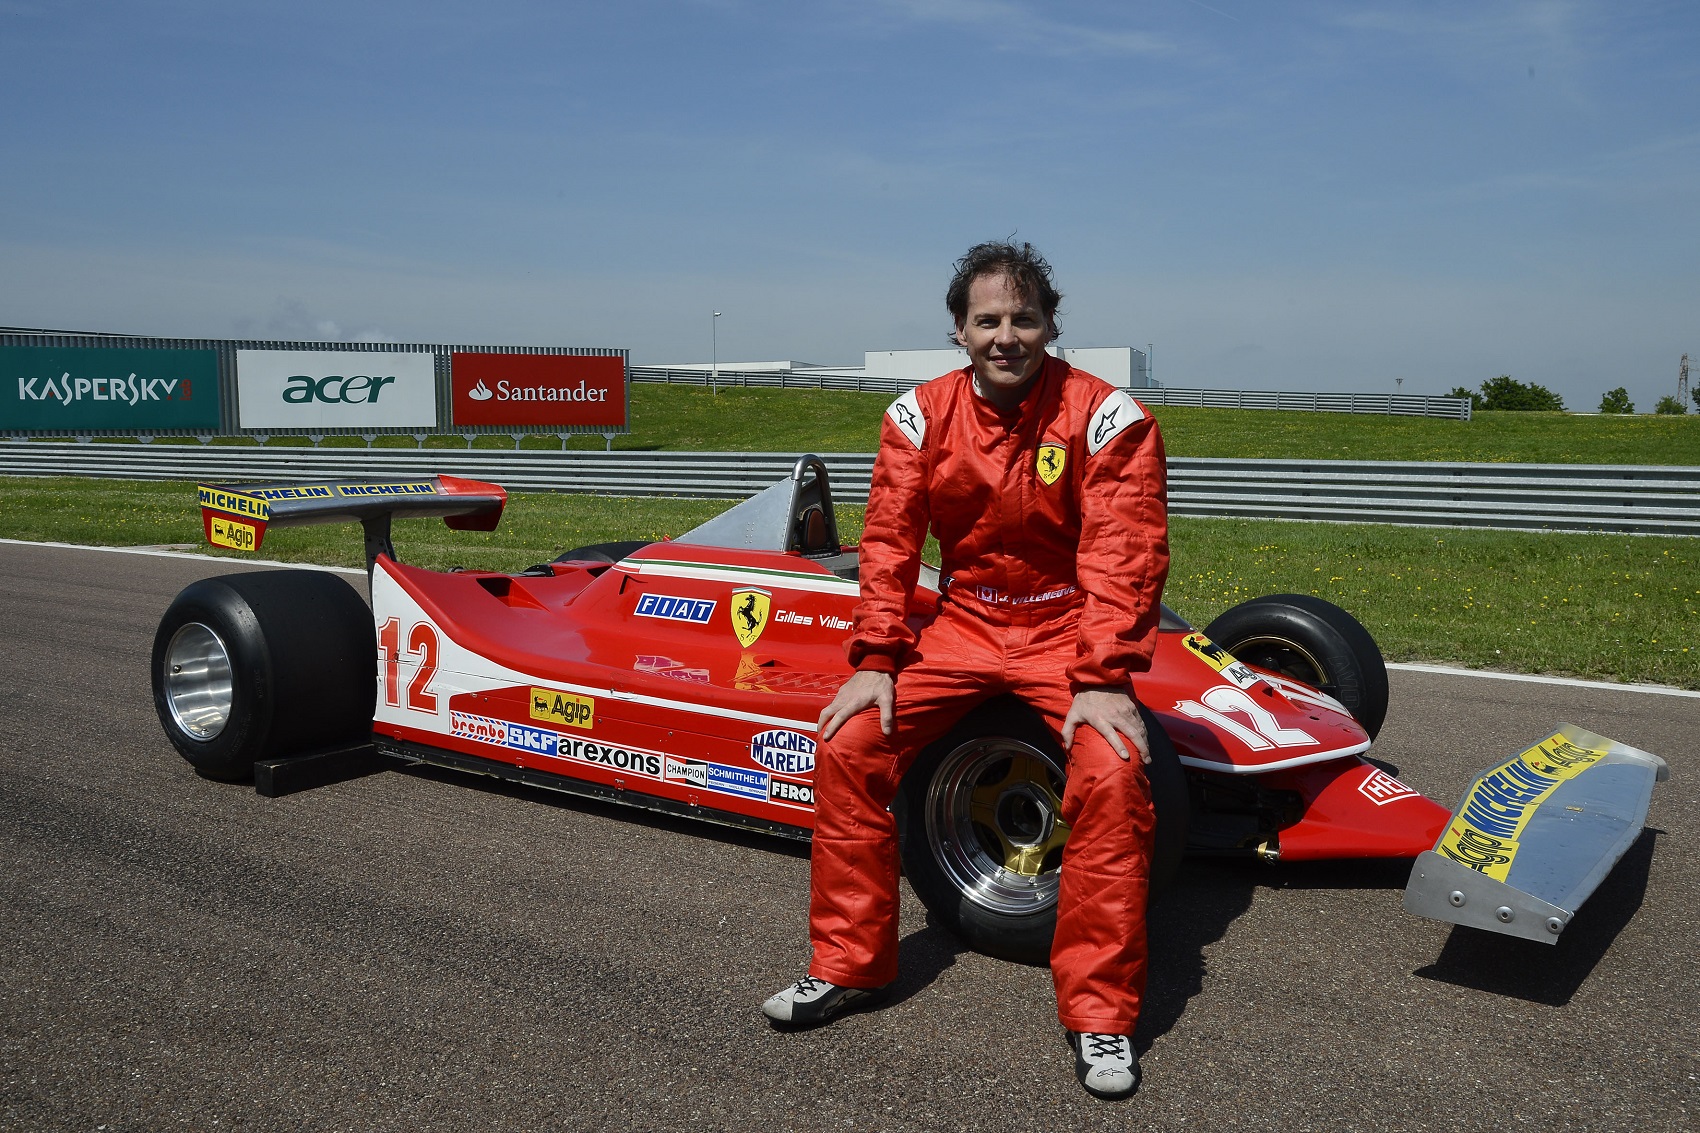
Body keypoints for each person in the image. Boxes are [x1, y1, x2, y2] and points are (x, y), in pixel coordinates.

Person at [762, 242, 1171, 1100]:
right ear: (959, 329)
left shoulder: (1108, 416)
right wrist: (876, 657)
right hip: (964, 622)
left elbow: (1124, 553)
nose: (1007, 335)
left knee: (1115, 769)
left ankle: (1100, 1016)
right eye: (989, 319)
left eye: (1024, 318)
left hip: (1067, 627)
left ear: (1052, 325)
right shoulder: (916, 416)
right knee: (847, 741)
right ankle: (850, 966)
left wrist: (1102, 676)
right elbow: (887, 543)